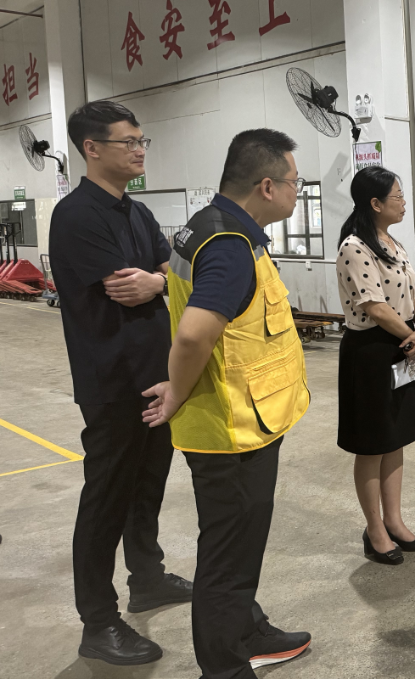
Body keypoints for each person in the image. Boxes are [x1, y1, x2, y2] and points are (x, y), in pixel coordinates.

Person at [142, 129, 313, 678]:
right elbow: (194, 334)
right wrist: (177, 390)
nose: (297, 190)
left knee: (241, 546)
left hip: (243, 420)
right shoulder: (229, 245)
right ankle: (224, 668)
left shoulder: (215, 225)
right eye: (294, 181)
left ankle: (246, 629)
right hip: (229, 429)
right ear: (267, 186)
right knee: (228, 554)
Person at [49, 101, 192, 666]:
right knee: (106, 497)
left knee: (147, 485)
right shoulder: (76, 215)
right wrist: (160, 281)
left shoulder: (136, 211)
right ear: (92, 148)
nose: (139, 150)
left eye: (141, 140)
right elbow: (124, 289)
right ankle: (97, 621)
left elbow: (169, 271)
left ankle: (147, 578)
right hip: (112, 382)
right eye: (127, 141)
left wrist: (158, 281)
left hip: (156, 376)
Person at [336, 167, 415, 564]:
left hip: (402, 345)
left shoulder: (393, 243)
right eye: (398, 196)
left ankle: (394, 521)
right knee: (372, 444)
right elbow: (374, 306)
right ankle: (374, 529)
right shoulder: (354, 247)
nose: (404, 202)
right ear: (375, 203)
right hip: (371, 352)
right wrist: (410, 335)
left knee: (395, 438)